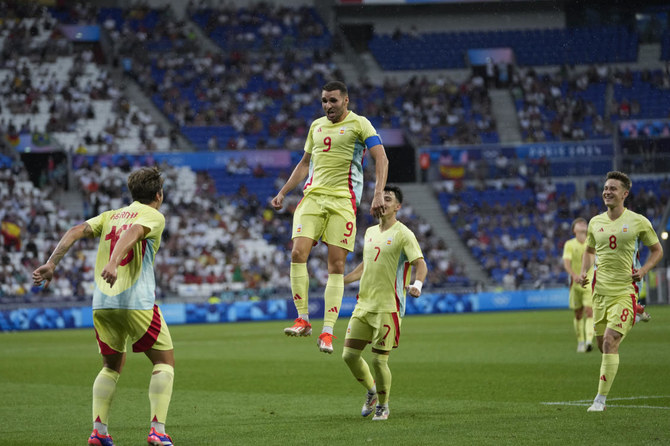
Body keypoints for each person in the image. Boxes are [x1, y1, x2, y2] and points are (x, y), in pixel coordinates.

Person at [32, 167, 175, 446]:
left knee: (111, 365)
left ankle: (99, 432)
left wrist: (52, 263)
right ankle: (157, 430)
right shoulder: (154, 216)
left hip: (102, 302)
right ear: (158, 194)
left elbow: (76, 230)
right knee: (164, 362)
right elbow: (134, 232)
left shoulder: (111, 215)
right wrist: (113, 262)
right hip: (136, 302)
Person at [271, 80, 389, 354]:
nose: (328, 106)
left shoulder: (361, 124)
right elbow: (304, 164)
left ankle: (327, 332)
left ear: (345, 100)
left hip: (342, 202)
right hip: (311, 198)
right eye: (324, 100)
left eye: (333, 100)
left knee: (335, 265)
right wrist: (283, 192)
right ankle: (303, 319)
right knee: (297, 254)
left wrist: (378, 193)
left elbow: (381, 159)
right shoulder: (316, 126)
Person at [578, 171, 663, 412]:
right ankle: (635, 315)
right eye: (606, 188)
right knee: (601, 344)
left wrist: (644, 269)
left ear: (625, 194)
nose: (607, 191)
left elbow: (657, 250)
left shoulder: (638, 221)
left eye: (613, 188)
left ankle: (599, 401)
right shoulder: (595, 222)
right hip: (600, 292)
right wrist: (585, 271)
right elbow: (589, 250)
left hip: (626, 289)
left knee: (610, 341)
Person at [341, 185, 427, 420]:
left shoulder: (403, 234)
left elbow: (420, 263)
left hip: (388, 307)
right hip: (364, 305)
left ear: (397, 207)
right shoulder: (369, 232)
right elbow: (366, 265)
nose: (383, 202)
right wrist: (342, 280)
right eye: (381, 198)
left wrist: (417, 286)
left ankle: (384, 405)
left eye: (388, 199)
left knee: (379, 360)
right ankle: (372, 392)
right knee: (349, 355)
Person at [562, 217, 594, 353]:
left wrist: (584, 273)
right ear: (574, 230)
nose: (582, 223)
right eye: (579, 223)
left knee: (589, 311)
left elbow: (592, 259)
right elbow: (566, 262)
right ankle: (580, 341)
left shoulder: (591, 242)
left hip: (588, 281)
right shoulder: (569, 244)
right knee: (578, 314)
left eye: (584, 222)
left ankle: (588, 342)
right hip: (575, 283)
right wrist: (574, 275)